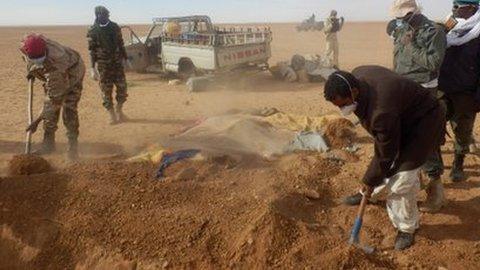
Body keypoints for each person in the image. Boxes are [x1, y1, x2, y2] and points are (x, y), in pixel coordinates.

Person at [324, 66, 446, 250]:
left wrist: (369, 178)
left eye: (343, 104)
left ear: (354, 91)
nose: (342, 109)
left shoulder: (381, 110)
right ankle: (369, 192)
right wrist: (370, 179)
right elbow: (384, 144)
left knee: (402, 180)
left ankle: (406, 228)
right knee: (382, 168)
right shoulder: (356, 76)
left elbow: (385, 153)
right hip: (400, 119)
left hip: (424, 123)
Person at [345, 0, 448, 213]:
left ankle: (435, 189)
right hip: (399, 92)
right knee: (391, 140)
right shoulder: (402, 29)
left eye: (403, 17)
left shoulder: (434, 32)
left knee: (425, 142)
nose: (399, 21)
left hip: (423, 91)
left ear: (414, 13)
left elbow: (433, 63)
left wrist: (412, 46)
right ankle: (373, 188)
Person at [20, 34, 85, 160]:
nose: (38, 60)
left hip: (72, 71)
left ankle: (73, 149)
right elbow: (27, 58)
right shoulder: (26, 44)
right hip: (50, 73)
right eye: (34, 58)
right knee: (50, 111)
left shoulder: (56, 62)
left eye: (40, 58)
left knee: (68, 108)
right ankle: (48, 145)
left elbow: (53, 100)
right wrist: (32, 71)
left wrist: (36, 122)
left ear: (45, 51)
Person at [439, 0, 480, 181]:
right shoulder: (449, 25)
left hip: (466, 93)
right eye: (453, 5)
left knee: (462, 131)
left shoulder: (478, 31)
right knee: (433, 127)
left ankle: (458, 165)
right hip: (442, 89)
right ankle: (436, 167)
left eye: (458, 6)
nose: (453, 10)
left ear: (471, 8)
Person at [87, 5, 129, 125]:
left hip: (117, 64)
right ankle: (111, 115)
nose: (106, 17)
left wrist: (125, 59)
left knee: (122, 88)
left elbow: (121, 44)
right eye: (104, 15)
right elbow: (92, 50)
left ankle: (119, 111)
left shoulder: (114, 27)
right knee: (106, 91)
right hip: (103, 66)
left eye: (107, 15)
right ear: (98, 16)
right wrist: (92, 69)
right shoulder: (92, 31)